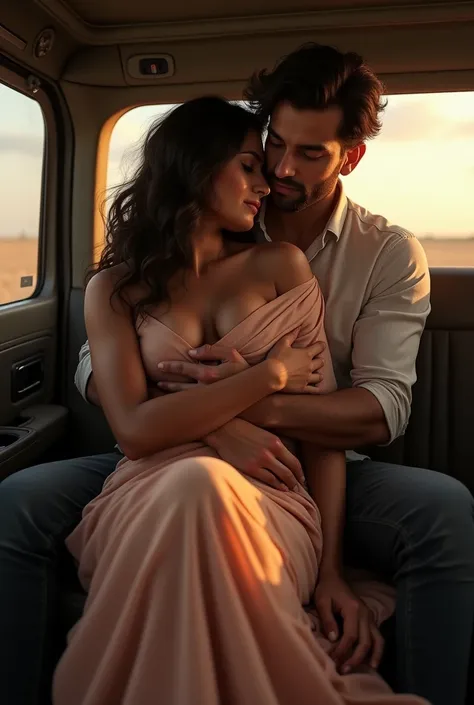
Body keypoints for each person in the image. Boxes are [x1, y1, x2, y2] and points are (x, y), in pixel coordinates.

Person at [0, 43, 470, 705]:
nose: (277, 170)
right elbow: (102, 378)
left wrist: (251, 409)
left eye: (309, 153)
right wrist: (229, 414)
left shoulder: (378, 253)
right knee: (20, 499)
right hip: (158, 451)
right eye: (270, 147)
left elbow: (376, 410)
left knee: (443, 509)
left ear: (350, 156)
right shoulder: (150, 263)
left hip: (302, 462)